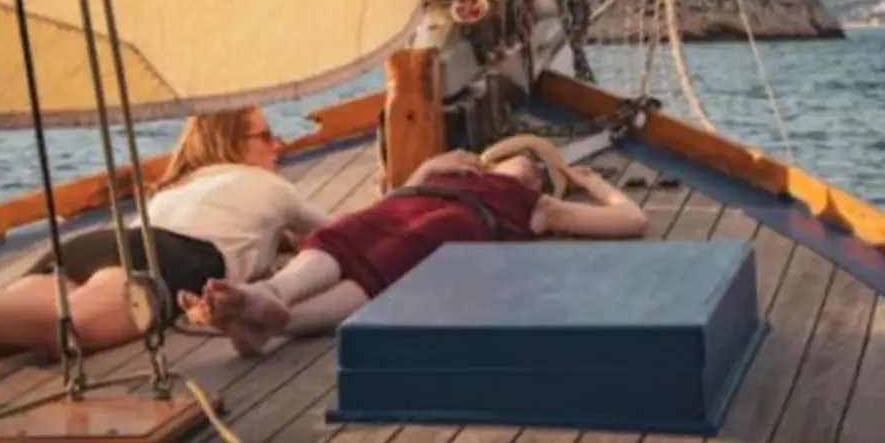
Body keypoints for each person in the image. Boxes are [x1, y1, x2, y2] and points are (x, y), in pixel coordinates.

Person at [0, 106, 328, 364]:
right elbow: (339, 235)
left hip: (100, 243)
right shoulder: (271, 185)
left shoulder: (180, 184)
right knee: (76, 326)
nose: (278, 145)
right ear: (230, 143)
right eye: (265, 136)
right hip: (175, 254)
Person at [179, 147, 648, 356]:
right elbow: (394, 196)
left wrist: (593, 183)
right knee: (344, 238)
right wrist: (426, 168)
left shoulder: (537, 205)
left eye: (542, 168)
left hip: (448, 223)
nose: (535, 167)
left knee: (382, 267)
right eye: (529, 156)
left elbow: (632, 220)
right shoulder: (450, 171)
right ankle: (263, 307)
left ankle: (264, 311)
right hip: (395, 209)